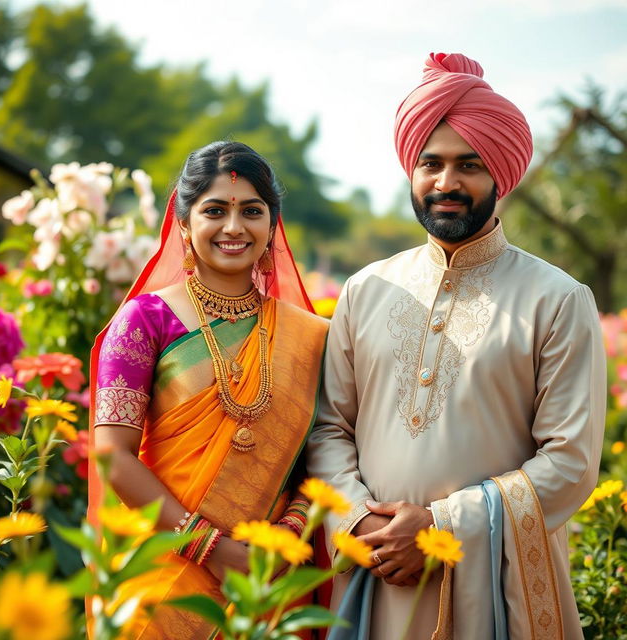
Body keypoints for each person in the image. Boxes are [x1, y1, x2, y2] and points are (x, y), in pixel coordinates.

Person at [307, 53, 606, 640]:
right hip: (376, 575)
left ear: (501, 174)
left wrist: (440, 526)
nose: (447, 183)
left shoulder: (558, 299)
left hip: (496, 585)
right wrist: (359, 518)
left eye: (468, 165)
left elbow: (570, 464)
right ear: (411, 172)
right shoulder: (366, 290)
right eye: (431, 163)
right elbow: (327, 428)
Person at [88, 141, 328, 639]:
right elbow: (113, 455)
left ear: (271, 227)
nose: (234, 227)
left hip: (269, 577)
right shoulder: (144, 321)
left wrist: (286, 538)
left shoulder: (310, 336)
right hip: (165, 573)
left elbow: (323, 453)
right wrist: (208, 546)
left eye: (252, 211)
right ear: (183, 224)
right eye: (215, 210)